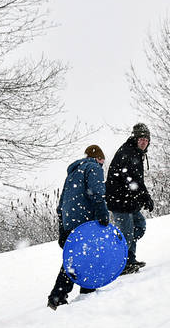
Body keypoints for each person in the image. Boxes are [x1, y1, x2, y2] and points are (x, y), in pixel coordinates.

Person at [47, 145, 110, 310]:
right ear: (99, 158)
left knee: (77, 257)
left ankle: (75, 292)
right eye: (102, 161)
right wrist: (103, 214)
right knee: (85, 256)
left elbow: (61, 205)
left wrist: (63, 227)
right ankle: (60, 295)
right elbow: (97, 192)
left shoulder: (73, 173)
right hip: (85, 222)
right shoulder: (94, 168)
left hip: (70, 222)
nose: (102, 164)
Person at [105, 123, 154, 275]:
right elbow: (131, 180)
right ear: (135, 138)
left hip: (129, 201)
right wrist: (144, 197)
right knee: (127, 233)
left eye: (146, 139)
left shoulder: (136, 153)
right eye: (141, 138)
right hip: (120, 201)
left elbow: (137, 181)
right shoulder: (128, 153)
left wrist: (146, 197)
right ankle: (122, 263)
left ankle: (129, 258)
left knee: (139, 225)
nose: (143, 142)